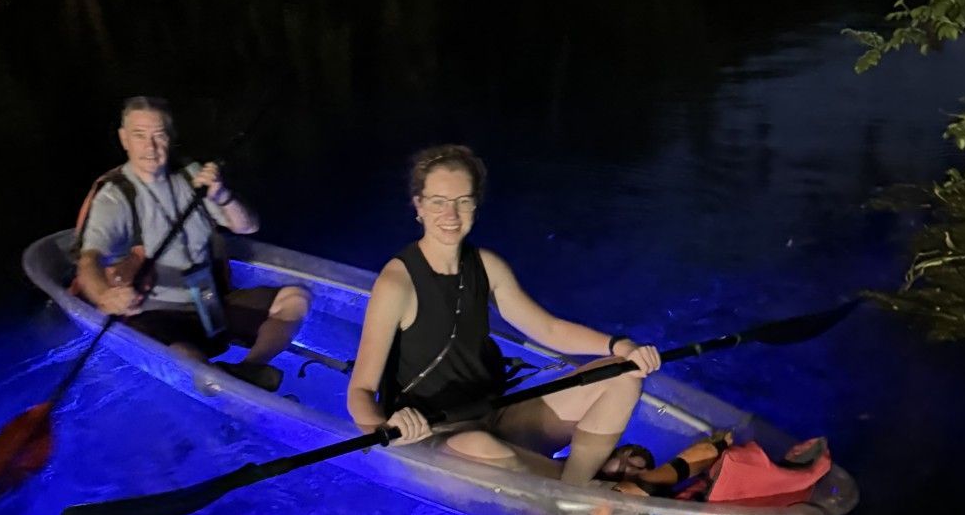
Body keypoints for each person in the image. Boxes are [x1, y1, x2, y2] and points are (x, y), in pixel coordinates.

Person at [347, 144, 661, 483]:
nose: (451, 214)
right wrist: (384, 430)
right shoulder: (397, 283)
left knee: (623, 375)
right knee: (482, 446)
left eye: (462, 201)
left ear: (475, 205)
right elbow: (359, 391)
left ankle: (575, 485)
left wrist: (621, 346)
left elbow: (549, 329)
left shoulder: (488, 266)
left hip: (494, 418)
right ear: (419, 205)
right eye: (438, 202)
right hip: (435, 439)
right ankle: (585, 487)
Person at [75, 95, 309, 391]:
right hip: (157, 313)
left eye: (159, 135)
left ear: (171, 138)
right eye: (139, 135)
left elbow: (248, 227)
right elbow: (89, 260)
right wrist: (104, 296)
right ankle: (216, 385)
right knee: (183, 354)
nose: (150, 147)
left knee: (296, 298)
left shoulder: (191, 174)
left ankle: (249, 369)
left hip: (209, 302)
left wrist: (222, 195)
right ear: (124, 139)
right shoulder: (115, 195)